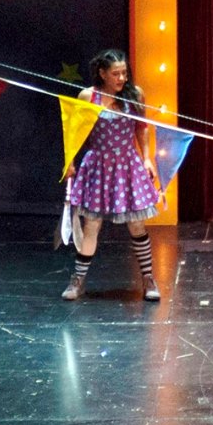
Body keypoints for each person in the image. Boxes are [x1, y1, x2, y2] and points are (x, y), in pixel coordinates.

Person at [59, 50, 162, 302]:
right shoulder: (89, 96)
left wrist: (147, 158)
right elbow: (75, 131)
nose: (121, 78)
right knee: (91, 225)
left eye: (124, 73)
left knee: (137, 225)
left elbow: (142, 128)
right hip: (98, 166)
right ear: (102, 73)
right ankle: (78, 280)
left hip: (127, 165)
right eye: (116, 73)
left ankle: (148, 278)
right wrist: (69, 161)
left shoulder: (134, 94)